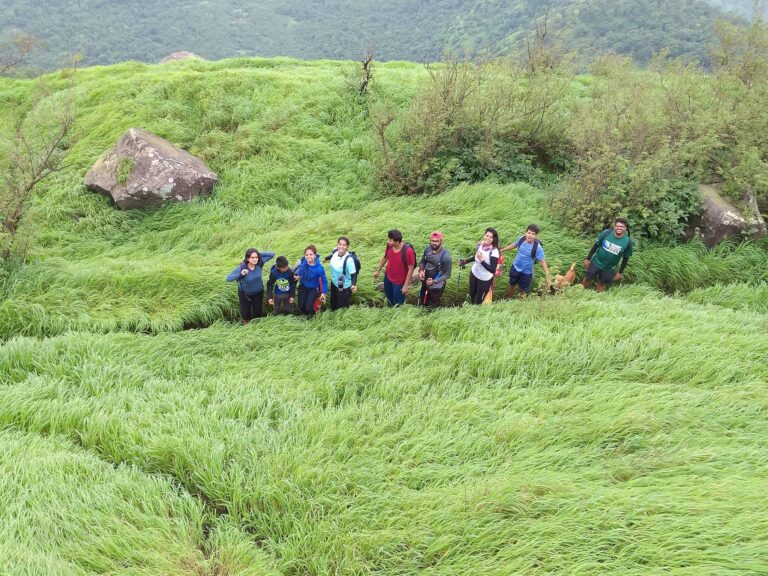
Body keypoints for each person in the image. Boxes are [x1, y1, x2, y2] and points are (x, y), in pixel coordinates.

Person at [582, 218, 633, 292]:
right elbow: (595, 246)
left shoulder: (628, 241)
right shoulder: (606, 233)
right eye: (617, 226)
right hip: (596, 262)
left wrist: (620, 272)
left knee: (602, 284)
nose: (619, 228)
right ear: (614, 227)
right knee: (587, 279)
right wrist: (588, 259)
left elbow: (626, 258)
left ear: (625, 228)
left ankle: (596, 297)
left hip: (609, 268)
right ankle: (580, 292)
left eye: (622, 226)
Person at [226, 248, 275, 324]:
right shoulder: (242, 268)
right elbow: (228, 278)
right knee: (245, 312)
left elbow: (272, 254)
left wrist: (258, 253)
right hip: (245, 294)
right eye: (252, 257)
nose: (255, 259)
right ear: (247, 258)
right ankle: (246, 325)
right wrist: (241, 274)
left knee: (258, 311)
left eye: (256, 257)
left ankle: (256, 325)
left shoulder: (259, 264)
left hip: (258, 292)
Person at [500, 224, 550, 297]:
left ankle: (521, 300)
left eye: (533, 234)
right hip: (515, 267)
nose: (530, 235)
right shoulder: (521, 239)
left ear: (536, 236)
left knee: (523, 289)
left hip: (527, 272)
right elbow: (514, 245)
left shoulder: (538, 247)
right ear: (525, 233)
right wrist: (502, 250)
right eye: (529, 233)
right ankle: (510, 297)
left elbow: (543, 262)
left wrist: (548, 277)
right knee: (512, 284)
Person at [373, 229, 416, 306]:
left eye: (391, 241)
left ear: (397, 241)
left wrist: (406, 286)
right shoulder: (389, 246)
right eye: (388, 239)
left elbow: (411, 269)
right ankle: (390, 310)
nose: (388, 242)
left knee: (398, 302)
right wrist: (378, 270)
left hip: (399, 281)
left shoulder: (408, 251)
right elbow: (385, 257)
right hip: (388, 277)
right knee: (389, 298)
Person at [459, 227, 500, 305]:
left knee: (479, 298)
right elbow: (476, 257)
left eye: (491, 237)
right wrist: (466, 261)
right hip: (474, 273)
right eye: (487, 235)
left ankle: (476, 309)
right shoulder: (481, 245)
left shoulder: (494, 252)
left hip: (484, 279)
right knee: (471, 293)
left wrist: (482, 261)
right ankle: (469, 307)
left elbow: (492, 270)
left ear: (494, 239)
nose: (488, 238)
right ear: (484, 235)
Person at [417, 231, 452, 309]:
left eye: (436, 241)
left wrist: (434, 281)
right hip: (425, 280)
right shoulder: (428, 249)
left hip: (437, 284)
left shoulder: (446, 256)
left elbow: (447, 274)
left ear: (441, 241)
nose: (434, 243)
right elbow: (423, 262)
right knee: (422, 299)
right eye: (432, 241)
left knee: (431, 305)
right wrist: (421, 270)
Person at [294, 244, 328, 317]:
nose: (308, 256)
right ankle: (303, 318)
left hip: (313, 289)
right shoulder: (304, 261)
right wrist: (299, 276)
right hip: (303, 286)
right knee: (301, 306)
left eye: (311, 254)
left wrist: (324, 292)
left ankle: (311, 318)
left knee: (308, 308)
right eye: (306, 255)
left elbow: (324, 280)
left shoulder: (319, 268)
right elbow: (302, 270)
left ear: (315, 255)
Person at [327, 236, 358, 311]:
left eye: (344, 245)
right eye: (340, 244)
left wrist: (353, 285)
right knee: (333, 302)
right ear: (337, 245)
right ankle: (333, 315)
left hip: (344, 286)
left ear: (347, 247)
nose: (341, 246)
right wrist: (325, 259)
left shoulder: (349, 260)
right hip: (334, 283)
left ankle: (341, 316)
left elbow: (354, 275)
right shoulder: (335, 252)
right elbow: (332, 255)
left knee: (341, 306)